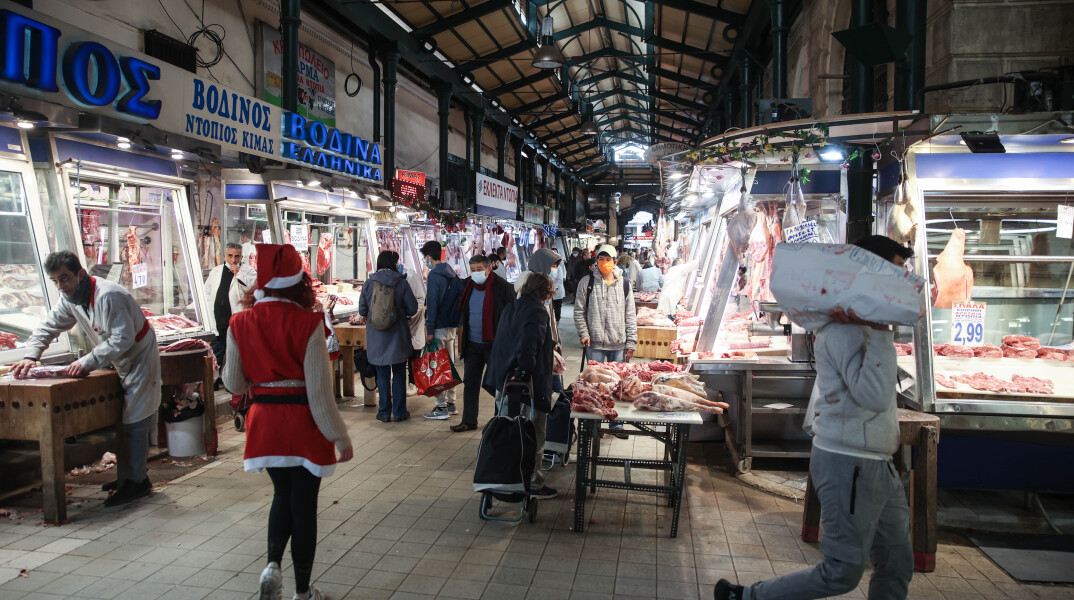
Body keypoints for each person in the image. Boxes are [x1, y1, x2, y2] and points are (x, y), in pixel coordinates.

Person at [714, 235, 915, 600]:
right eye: (896, 273)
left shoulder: (862, 325)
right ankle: (746, 597)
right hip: (850, 462)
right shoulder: (844, 330)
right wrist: (885, 332)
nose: (902, 281)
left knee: (897, 562)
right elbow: (871, 396)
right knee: (841, 573)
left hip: (876, 462)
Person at [222, 244, 352, 600]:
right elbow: (320, 395)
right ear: (299, 283)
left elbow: (233, 384)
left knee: (282, 494)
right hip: (303, 425)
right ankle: (303, 592)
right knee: (304, 506)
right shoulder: (308, 323)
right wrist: (340, 437)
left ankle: (271, 566)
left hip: (263, 424)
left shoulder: (239, 322)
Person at [14, 251, 162, 507]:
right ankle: (128, 477)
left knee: (135, 423)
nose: (61, 286)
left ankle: (138, 483)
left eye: (65, 279)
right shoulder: (70, 298)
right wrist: (31, 355)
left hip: (140, 358)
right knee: (124, 423)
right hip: (118, 360)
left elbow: (122, 339)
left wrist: (86, 362)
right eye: (55, 281)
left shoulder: (109, 295)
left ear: (80, 274)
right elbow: (49, 326)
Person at [483, 273, 558, 498]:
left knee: (506, 429)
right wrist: (524, 373)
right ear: (545, 293)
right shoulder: (537, 311)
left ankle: (505, 477)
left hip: (503, 379)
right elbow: (528, 346)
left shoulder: (513, 306)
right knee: (532, 434)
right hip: (525, 386)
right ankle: (532, 482)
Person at [574, 244, 637, 438]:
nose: (604, 263)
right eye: (601, 259)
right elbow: (579, 311)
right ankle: (594, 424)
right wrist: (584, 333)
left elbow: (630, 315)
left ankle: (615, 424)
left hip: (618, 344)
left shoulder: (625, 284)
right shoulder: (587, 282)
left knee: (617, 387)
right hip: (595, 344)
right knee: (594, 386)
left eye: (608, 259)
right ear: (596, 261)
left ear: (615, 262)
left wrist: (631, 341)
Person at [450, 254, 515, 432]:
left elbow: (513, 316)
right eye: (473, 270)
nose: (476, 273)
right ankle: (469, 420)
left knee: (497, 384)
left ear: (488, 269)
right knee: (470, 382)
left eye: (479, 269)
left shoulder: (503, 288)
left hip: (495, 344)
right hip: (472, 343)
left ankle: (498, 421)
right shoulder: (467, 286)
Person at [359, 251, 420, 422]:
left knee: (382, 374)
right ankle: (400, 412)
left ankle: (384, 412)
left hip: (376, 336)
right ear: (394, 264)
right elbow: (413, 308)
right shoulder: (401, 282)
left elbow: (362, 310)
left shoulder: (369, 283)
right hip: (398, 335)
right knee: (399, 373)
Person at [421, 241, 460, 420]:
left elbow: (433, 304)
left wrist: (429, 329)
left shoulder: (434, 275)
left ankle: (441, 406)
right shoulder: (450, 272)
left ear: (429, 256)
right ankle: (451, 403)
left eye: (425, 258)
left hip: (438, 327)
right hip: (451, 326)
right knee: (449, 365)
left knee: (438, 366)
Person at [205, 242, 256, 368]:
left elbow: (253, 287)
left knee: (235, 353)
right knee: (216, 352)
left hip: (236, 319)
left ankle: (233, 382)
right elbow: (206, 293)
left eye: (237, 256)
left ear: (241, 257)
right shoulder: (215, 271)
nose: (233, 260)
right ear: (224, 256)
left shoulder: (248, 271)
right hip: (218, 319)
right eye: (230, 256)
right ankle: (214, 381)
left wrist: (238, 274)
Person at [400, 261, 426, 397]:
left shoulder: (411, 277)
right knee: (402, 355)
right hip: (400, 323)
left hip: (413, 321)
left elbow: (421, 299)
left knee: (414, 354)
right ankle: (405, 383)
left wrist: (410, 314)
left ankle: (414, 383)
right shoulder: (394, 277)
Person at [550, 250, 566, 322]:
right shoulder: (548, 267)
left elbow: (559, 280)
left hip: (557, 291)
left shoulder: (558, 268)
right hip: (549, 291)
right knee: (551, 307)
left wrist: (552, 288)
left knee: (557, 307)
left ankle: (557, 320)